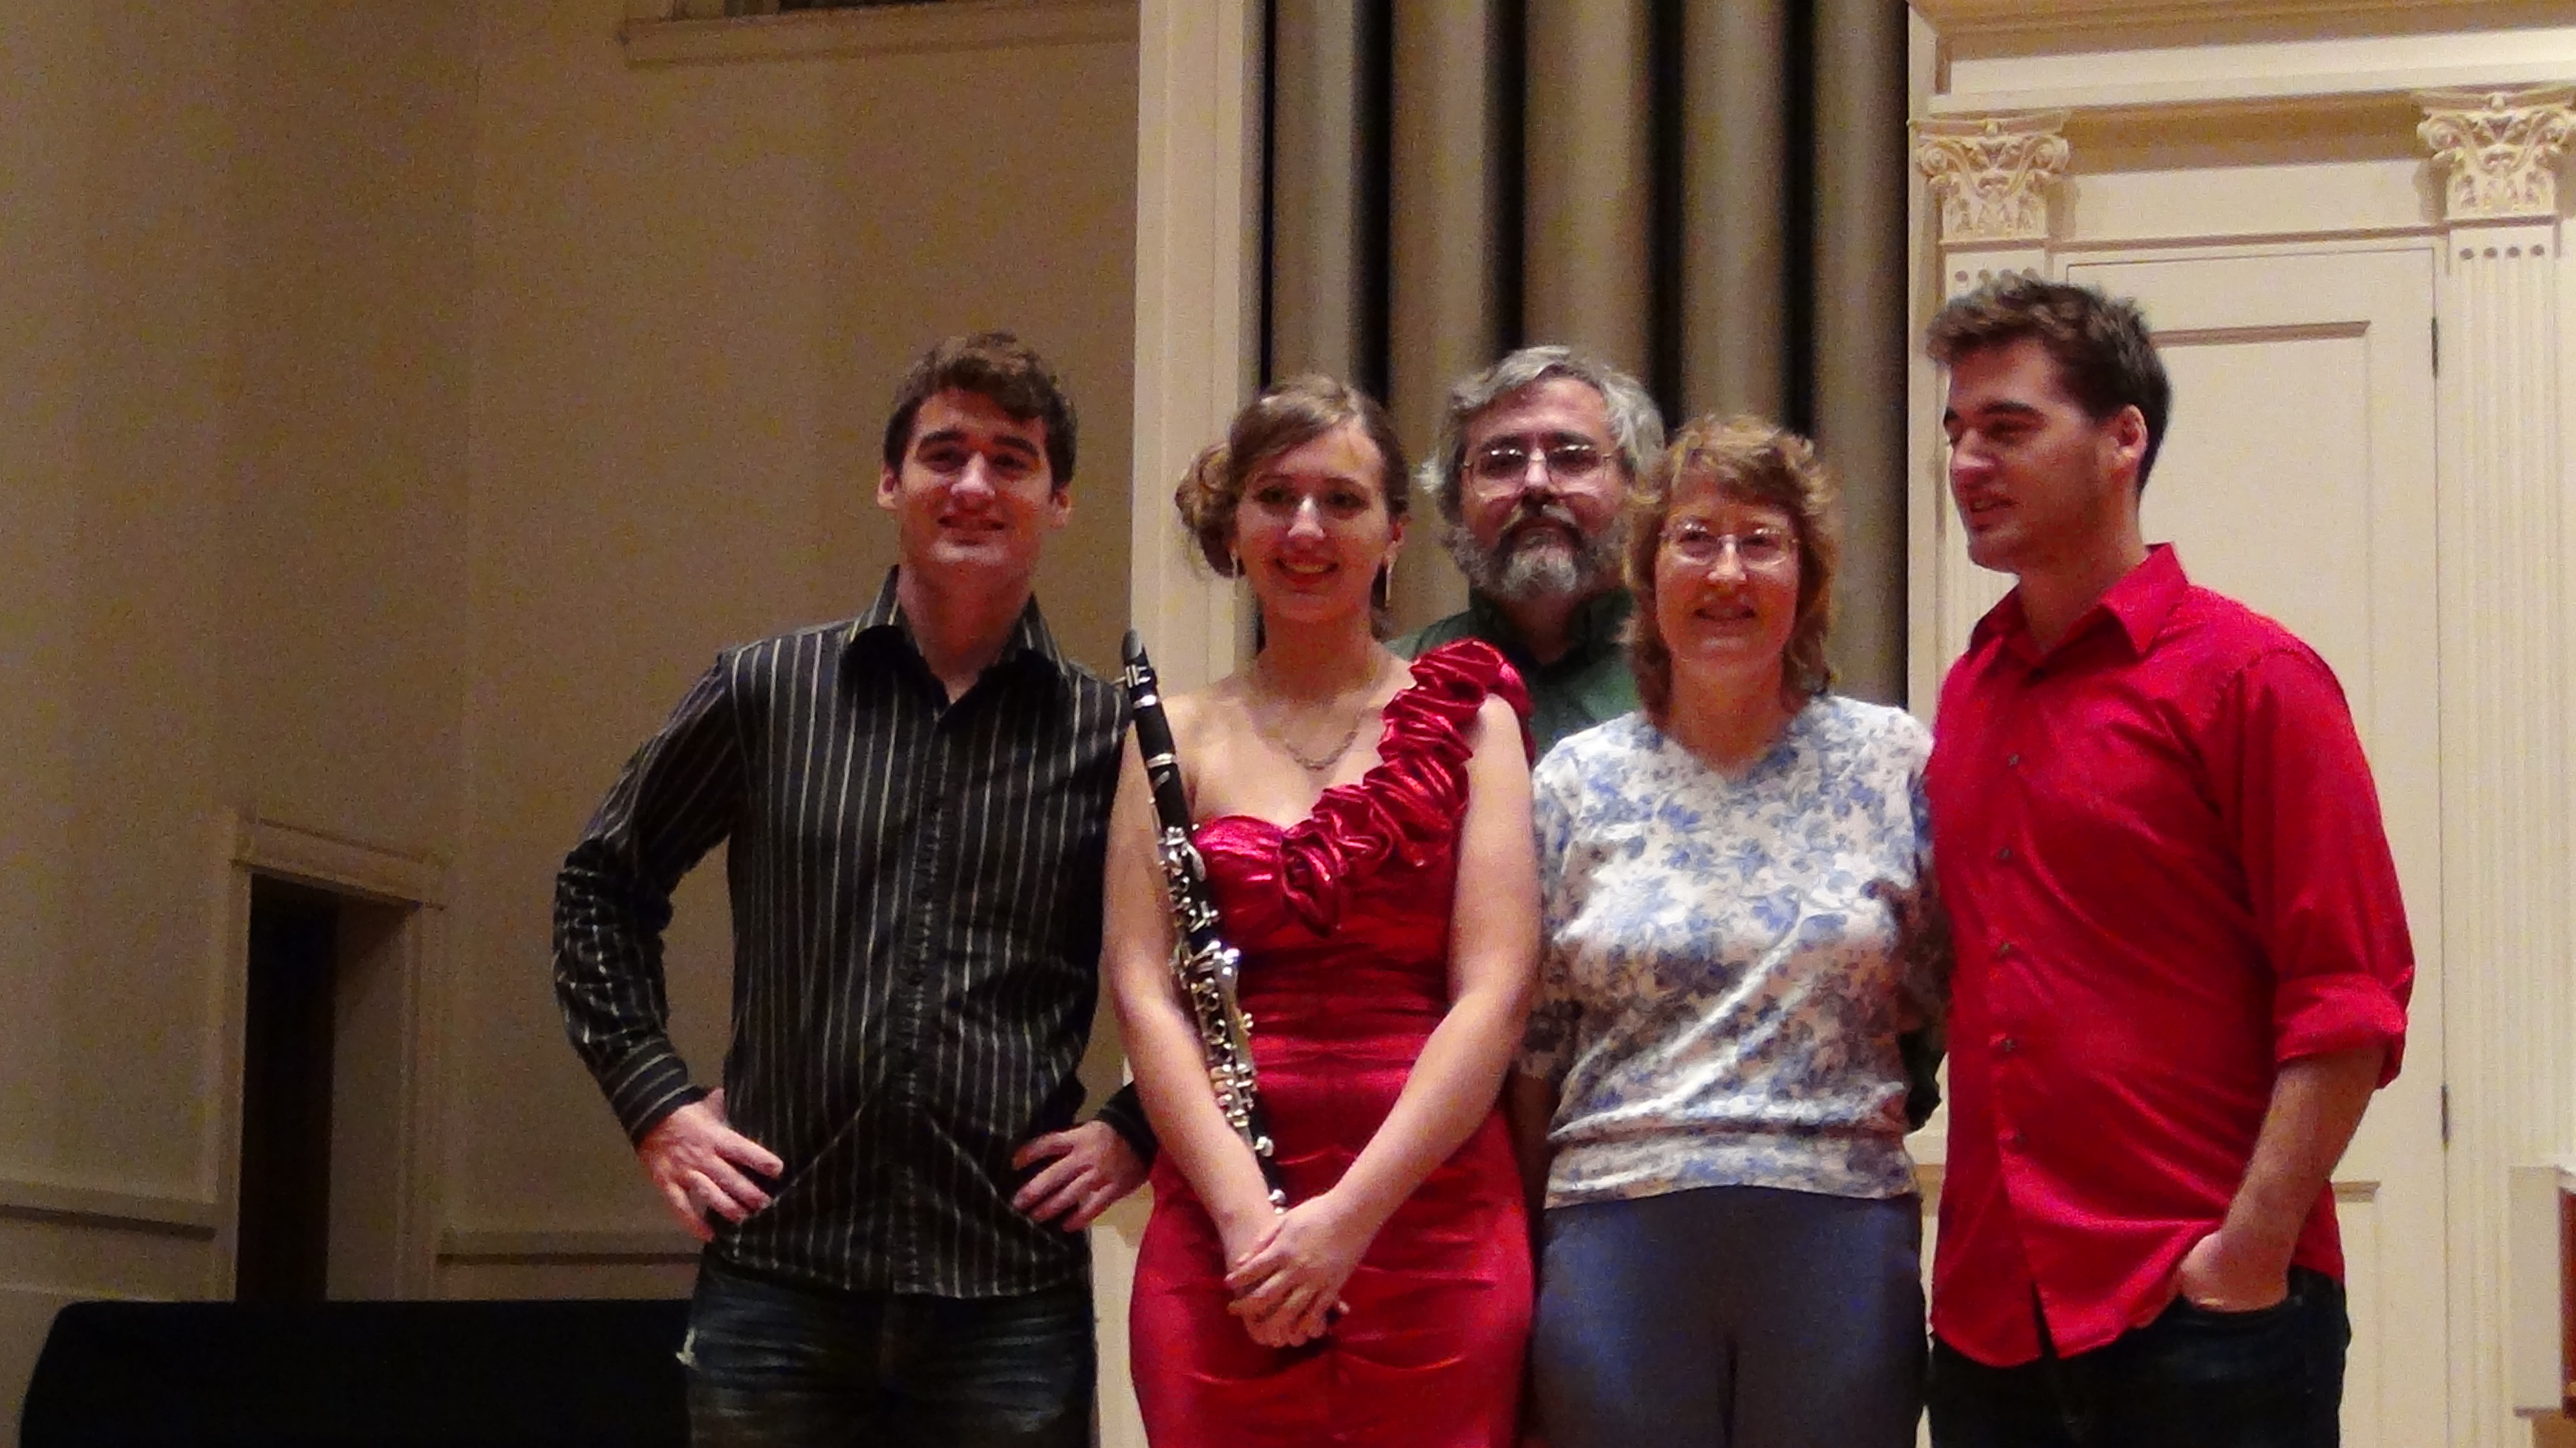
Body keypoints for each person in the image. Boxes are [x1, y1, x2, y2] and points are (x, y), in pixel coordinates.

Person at [552, 332, 1152, 1447]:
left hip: (1007, 1299)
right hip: (779, 1281)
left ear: (1059, 500)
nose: (974, 485)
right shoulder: (766, 690)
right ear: (889, 482)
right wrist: (656, 1106)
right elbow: (602, 885)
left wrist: (1136, 1126)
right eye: (944, 454)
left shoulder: (1110, 734)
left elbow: (1219, 958)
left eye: (1012, 460)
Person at [1922, 275, 2413, 1447]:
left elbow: (2348, 998)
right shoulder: (1969, 691)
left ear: (2122, 439)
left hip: (2203, 1314)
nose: (1966, 464)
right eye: (1955, 431)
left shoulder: (2252, 678)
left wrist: (2248, 1249)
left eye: (2007, 428)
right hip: (1991, 1320)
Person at [1106, 375, 1541, 1447]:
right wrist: (1246, 1220)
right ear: (1234, 526)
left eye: (1341, 501)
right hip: (1225, 1231)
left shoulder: (1471, 721)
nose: (1305, 529)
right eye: (1275, 496)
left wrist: (1345, 1221)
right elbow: (1142, 991)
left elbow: (1495, 994)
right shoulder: (1170, 736)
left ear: (1393, 534)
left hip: (1431, 1217)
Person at [1507, 416, 1945, 1448]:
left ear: (1810, 579)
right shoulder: (1574, 781)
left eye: (1762, 541)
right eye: (1695, 539)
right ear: (1648, 574)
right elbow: (1533, 1056)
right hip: (1614, 1232)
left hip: (1837, 1229)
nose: (1728, 572)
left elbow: (1947, 992)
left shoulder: (1894, 761)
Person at [1396, 346, 1666, 754]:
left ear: (1639, 487)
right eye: (1502, 463)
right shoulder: (1395, 684)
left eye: (1572, 458)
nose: (1536, 484)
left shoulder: (1699, 681)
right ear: (1454, 499)